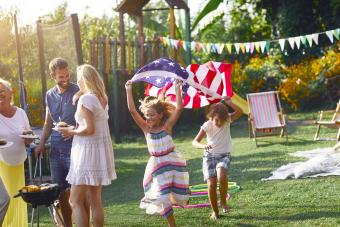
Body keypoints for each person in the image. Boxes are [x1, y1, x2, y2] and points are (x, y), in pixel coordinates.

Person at [125, 79, 190, 227]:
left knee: (181, 196)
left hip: (173, 163)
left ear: (160, 115)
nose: (148, 118)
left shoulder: (167, 126)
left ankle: (181, 195)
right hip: (158, 166)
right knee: (163, 197)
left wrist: (177, 88)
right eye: (146, 115)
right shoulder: (146, 129)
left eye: (151, 115)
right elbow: (133, 111)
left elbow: (179, 108)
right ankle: (172, 224)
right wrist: (128, 90)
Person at [58, 64, 116, 227]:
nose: (77, 82)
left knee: (74, 200)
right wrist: (74, 128)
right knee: (95, 199)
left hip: (86, 153)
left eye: (79, 79)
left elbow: (89, 129)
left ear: (85, 79)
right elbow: (92, 126)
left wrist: (71, 132)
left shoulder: (86, 99)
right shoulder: (102, 97)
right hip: (98, 152)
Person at [35, 58, 79, 227]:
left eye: (67, 75)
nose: (66, 79)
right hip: (55, 150)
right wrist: (40, 144)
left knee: (77, 194)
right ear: (53, 76)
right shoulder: (49, 95)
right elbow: (47, 123)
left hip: (74, 148)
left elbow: (86, 118)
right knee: (60, 194)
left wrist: (74, 129)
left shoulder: (78, 90)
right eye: (61, 76)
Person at [192, 97, 242, 219]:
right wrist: (203, 145)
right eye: (217, 120)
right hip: (209, 156)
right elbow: (195, 142)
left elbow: (240, 112)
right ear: (211, 116)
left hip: (224, 155)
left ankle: (223, 202)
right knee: (211, 184)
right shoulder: (207, 125)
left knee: (222, 175)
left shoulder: (227, 120)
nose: (219, 123)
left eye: (222, 121)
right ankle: (215, 211)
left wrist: (230, 103)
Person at [0, 78, 32, 226]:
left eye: (2, 91)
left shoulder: (20, 113)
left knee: (17, 199)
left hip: (18, 163)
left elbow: (28, 135)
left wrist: (29, 139)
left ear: (10, 93)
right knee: (5, 200)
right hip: (2, 163)